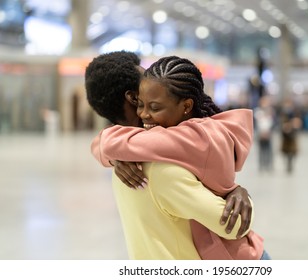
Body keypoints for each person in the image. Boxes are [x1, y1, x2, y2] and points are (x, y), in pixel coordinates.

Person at [86, 53, 267, 259]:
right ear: (133, 97)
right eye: (142, 101)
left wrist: (113, 155)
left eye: (154, 105)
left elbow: (107, 142)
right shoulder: (157, 167)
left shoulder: (182, 141)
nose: (145, 113)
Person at [254, 95, 274, 171]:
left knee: (269, 150)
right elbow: (256, 123)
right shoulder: (257, 111)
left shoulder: (271, 111)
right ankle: (261, 165)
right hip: (260, 134)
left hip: (269, 134)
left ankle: (269, 165)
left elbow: (273, 122)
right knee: (261, 150)